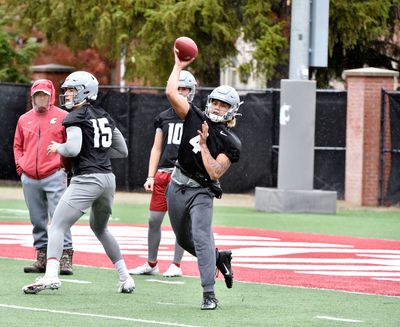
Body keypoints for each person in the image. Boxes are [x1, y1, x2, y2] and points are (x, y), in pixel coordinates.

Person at [22, 71, 134, 294]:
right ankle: (125, 277)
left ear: (86, 91)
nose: (67, 94)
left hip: (87, 179)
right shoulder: (104, 116)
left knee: (58, 225)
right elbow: (122, 151)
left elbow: (72, 148)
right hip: (107, 180)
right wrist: (96, 152)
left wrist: (58, 148)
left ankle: (51, 276)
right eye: (66, 90)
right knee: (100, 229)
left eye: (72, 90)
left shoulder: (74, 117)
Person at [165, 50, 243, 310]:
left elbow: (215, 173)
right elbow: (171, 93)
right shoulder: (195, 115)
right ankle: (219, 257)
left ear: (232, 111)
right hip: (177, 184)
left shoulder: (230, 141)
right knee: (183, 239)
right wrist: (178, 65)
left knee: (200, 237)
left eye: (224, 105)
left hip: (202, 190)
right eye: (216, 102)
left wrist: (203, 144)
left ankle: (209, 293)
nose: (217, 107)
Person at [128, 70, 197, 278]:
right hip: (164, 174)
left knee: (181, 223)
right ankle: (151, 263)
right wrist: (151, 176)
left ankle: (176, 264)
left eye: (185, 89)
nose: (182, 93)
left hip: (184, 176)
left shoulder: (196, 116)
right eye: (179, 88)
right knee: (153, 220)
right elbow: (156, 148)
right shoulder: (163, 117)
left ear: (192, 91)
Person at [13, 79, 74, 275]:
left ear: (51, 97)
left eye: (44, 95)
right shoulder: (24, 119)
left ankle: (65, 256)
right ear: (32, 97)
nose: (41, 98)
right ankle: (42, 255)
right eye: (37, 95)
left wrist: (63, 168)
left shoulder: (64, 117)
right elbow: (18, 146)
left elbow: (70, 145)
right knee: (37, 219)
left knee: (60, 217)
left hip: (54, 175)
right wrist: (21, 167)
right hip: (30, 177)